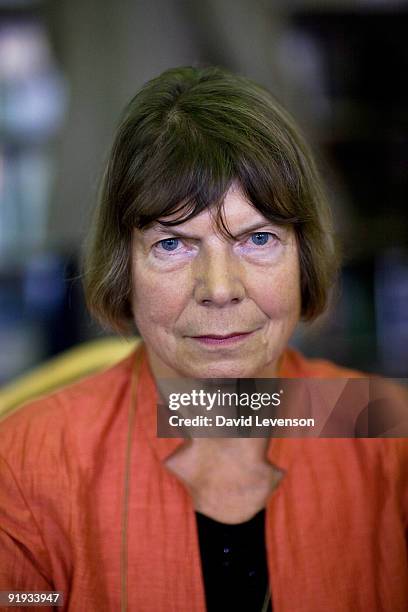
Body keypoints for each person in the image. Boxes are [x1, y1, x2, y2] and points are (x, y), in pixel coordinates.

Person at [0, 66, 407, 612]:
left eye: (258, 238)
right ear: (124, 267)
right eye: (173, 245)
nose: (219, 289)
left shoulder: (383, 427)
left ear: (304, 257)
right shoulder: (26, 461)